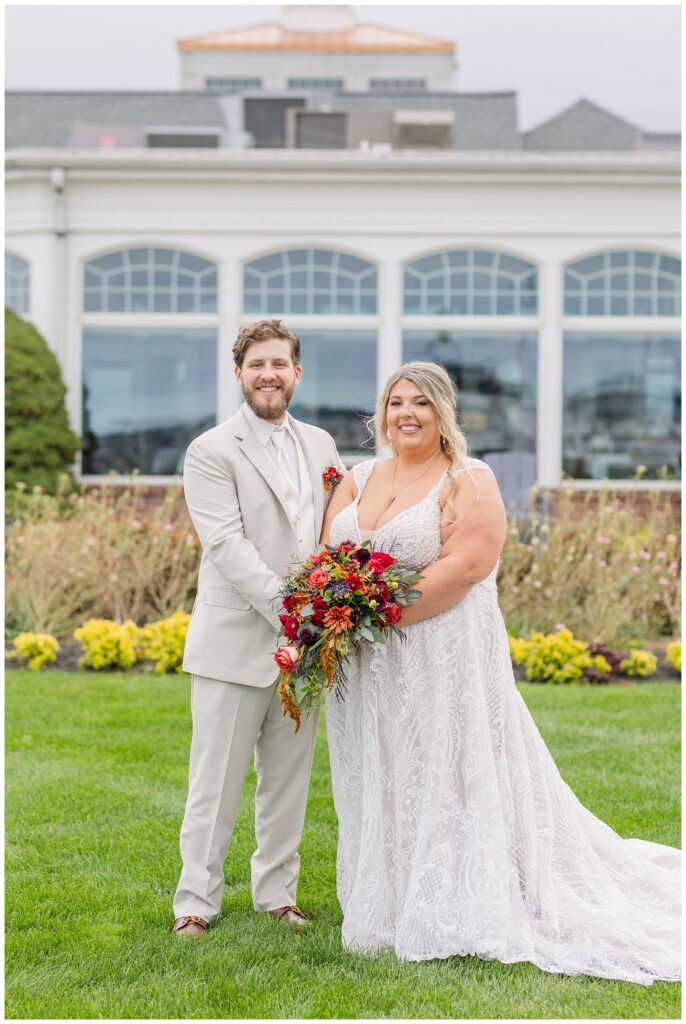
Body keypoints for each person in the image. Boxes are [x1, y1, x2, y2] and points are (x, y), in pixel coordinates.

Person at [320, 361, 680, 985]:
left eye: (421, 404)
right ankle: (391, 899)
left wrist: (371, 611)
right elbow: (328, 560)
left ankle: (459, 901)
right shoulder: (355, 480)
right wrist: (334, 609)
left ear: (443, 413)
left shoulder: (469, 479)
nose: (407, 413)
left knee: (448, 770)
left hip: (441, 661)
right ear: (380, 413)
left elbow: (465, 567)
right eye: (396, 402)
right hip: (371, 670)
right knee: (384, 771)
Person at [172, 319, 345, 937]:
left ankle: (278, 894)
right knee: (214, 783)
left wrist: (340, 600)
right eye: (256, 365)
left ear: (297, 372)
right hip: (236, 640)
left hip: (306, 649)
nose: (268, 374)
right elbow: (226, 544)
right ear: (238, 374)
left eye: (279, 364)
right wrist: (294, 613)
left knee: (288, 780)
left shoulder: (323, 445)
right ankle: (196, 901)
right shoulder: (211, 450)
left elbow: (338, 527)